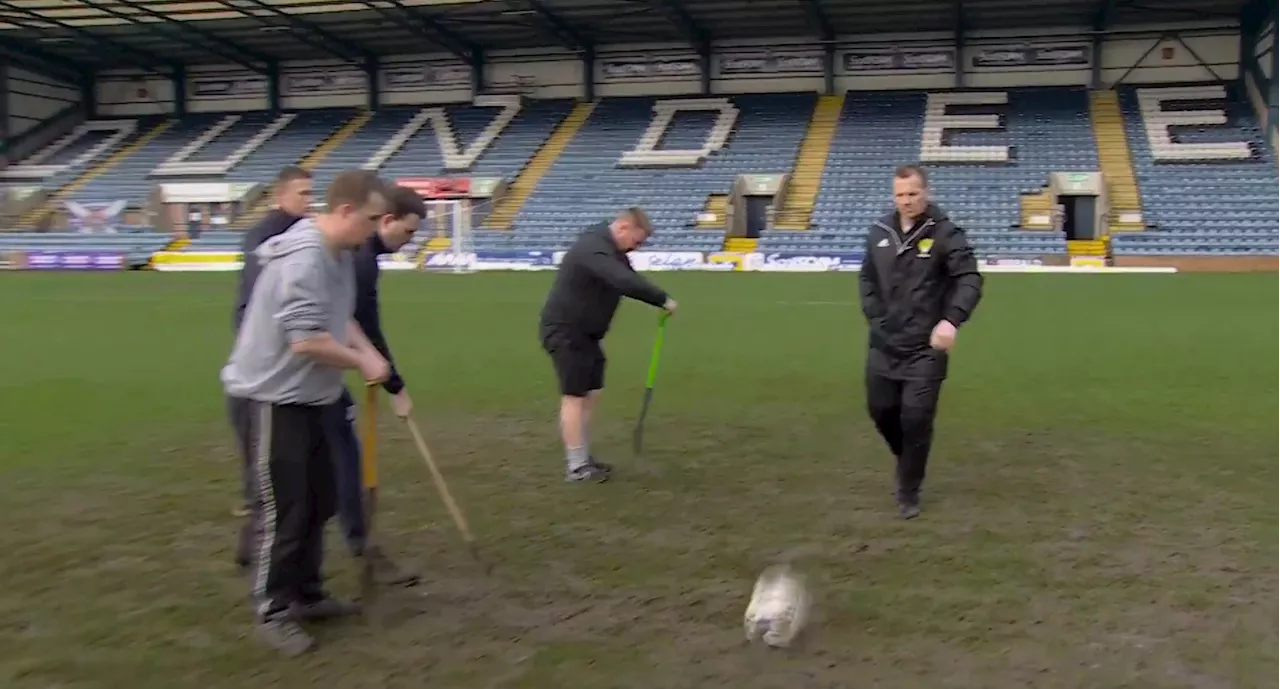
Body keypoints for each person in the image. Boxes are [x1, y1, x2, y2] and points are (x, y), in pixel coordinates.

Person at [221, 170, 391, 656]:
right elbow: (306, 340)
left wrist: (364, 349)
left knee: (321, 499)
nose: (375, 229)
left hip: (314, 396)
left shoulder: (340, 253)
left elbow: (340, 318)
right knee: (287, 509)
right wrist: (362, 361)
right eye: (371, 219)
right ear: (343, 212)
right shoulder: (305, 257)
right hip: (275, 398)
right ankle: (274, 608)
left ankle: (308, 593)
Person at [858, 165, 983, 519]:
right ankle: (908, 459)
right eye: (900, 195)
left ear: (925, 192)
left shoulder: (946, 234)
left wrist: (951, 320)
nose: (906, 201)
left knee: (915, 418)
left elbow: (970, 278)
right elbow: (867, 278)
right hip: (883, 343)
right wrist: (874, 316)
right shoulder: (879, 232)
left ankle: (909, 489)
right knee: (881, 411)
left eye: (912, 194)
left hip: (926, 347)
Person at [323, 184, 428, 587]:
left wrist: (382, 373)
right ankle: (357, 543)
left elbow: (357, 326)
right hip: (300, 377)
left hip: (324, 372)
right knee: (339, 463)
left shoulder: (362, 257)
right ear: (386, 220)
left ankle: (358, 541)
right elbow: (366, 327)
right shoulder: (362, 260)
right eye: (408, 232)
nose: (410, 241)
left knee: (341, 458)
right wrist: (394, 385)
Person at [538, 207, 677, 483]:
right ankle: (576, 466)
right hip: (566, 332)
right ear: (623, 227)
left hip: (587, 335)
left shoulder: (612, 250)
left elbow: (631, 278)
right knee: (575, 396)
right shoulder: (593, 247)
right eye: (635, 242)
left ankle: (582, 454)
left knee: (592, 392)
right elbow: (622, 280)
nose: (634, 249)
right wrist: (662, 299)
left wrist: (658, 299)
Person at [230, 165, 314, 521]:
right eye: (303, 194)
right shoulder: (262, 237)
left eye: (312, 193)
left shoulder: (304, 232)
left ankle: (270, 492)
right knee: (253, 424)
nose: (309, 201)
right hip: (261, 347)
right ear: (280, 196)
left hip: (284, 345)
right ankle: (257, 498)